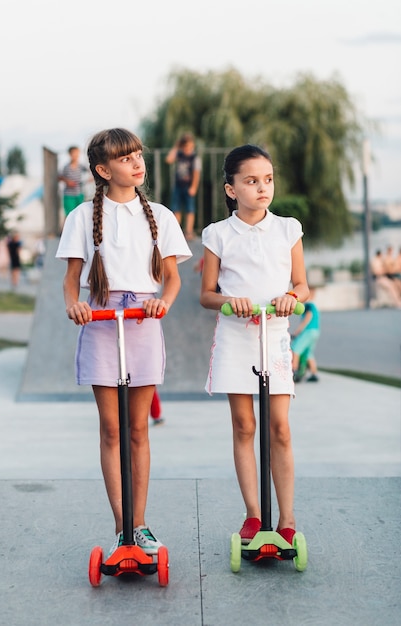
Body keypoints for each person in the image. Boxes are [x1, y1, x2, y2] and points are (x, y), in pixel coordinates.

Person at [56, 128, 192, 557]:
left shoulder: (161, 216)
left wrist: (163, 304)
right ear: (102, 169)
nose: (137, 163)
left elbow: (172, 279)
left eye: (138, 155)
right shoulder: (81, 217)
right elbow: (70, 280)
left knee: (138, 429)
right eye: (125, 158)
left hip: (143, 320)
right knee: (111, 429)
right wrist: (74, 305)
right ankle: (122, 528)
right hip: (101, 320)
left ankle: (141, 524)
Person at [200, 144, 309, 546]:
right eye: (251, 181)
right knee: (244, 425)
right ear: (231, 190)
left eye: (267, 179)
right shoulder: (217, 234)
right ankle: (253, 514)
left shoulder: (288, 228)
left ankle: (288, 518)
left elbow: (302, 285)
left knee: (279, 428)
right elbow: (207, 294)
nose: (262, 187)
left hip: (274, 335)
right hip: (235, 336)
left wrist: (292, 298)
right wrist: (231, 301)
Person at [165, 132, 201, 240]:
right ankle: (176, 230)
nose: (187, 149)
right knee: (176, 209)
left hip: (188, 186)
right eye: (185, 146)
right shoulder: (179, 154)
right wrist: (176, 146)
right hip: (178, 185)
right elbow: (169, 160)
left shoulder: (195, 157)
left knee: (190, 209)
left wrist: (194, 187)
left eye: (190, 146)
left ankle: (189, 231)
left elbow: (196, 173)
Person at [291, 287, 321, 382]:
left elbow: (307, 318)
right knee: (309, 353)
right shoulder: (314, 306)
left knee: (295, 349)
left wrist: (297, 332)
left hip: (308, 331)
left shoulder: (308, 306)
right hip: (315, 331)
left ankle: (294, 372)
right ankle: (314, 374)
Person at [58, 146, 90, 217]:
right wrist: (67, 181)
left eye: (77, 153)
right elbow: (59, 177)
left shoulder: (81, 166)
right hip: (69, 195)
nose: (76, 156)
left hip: (79, 194)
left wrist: (89, 179)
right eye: (74, 153)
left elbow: (91, 171)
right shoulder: (66, 167)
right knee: (69, 215)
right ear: (70, 154)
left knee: (79, 214)